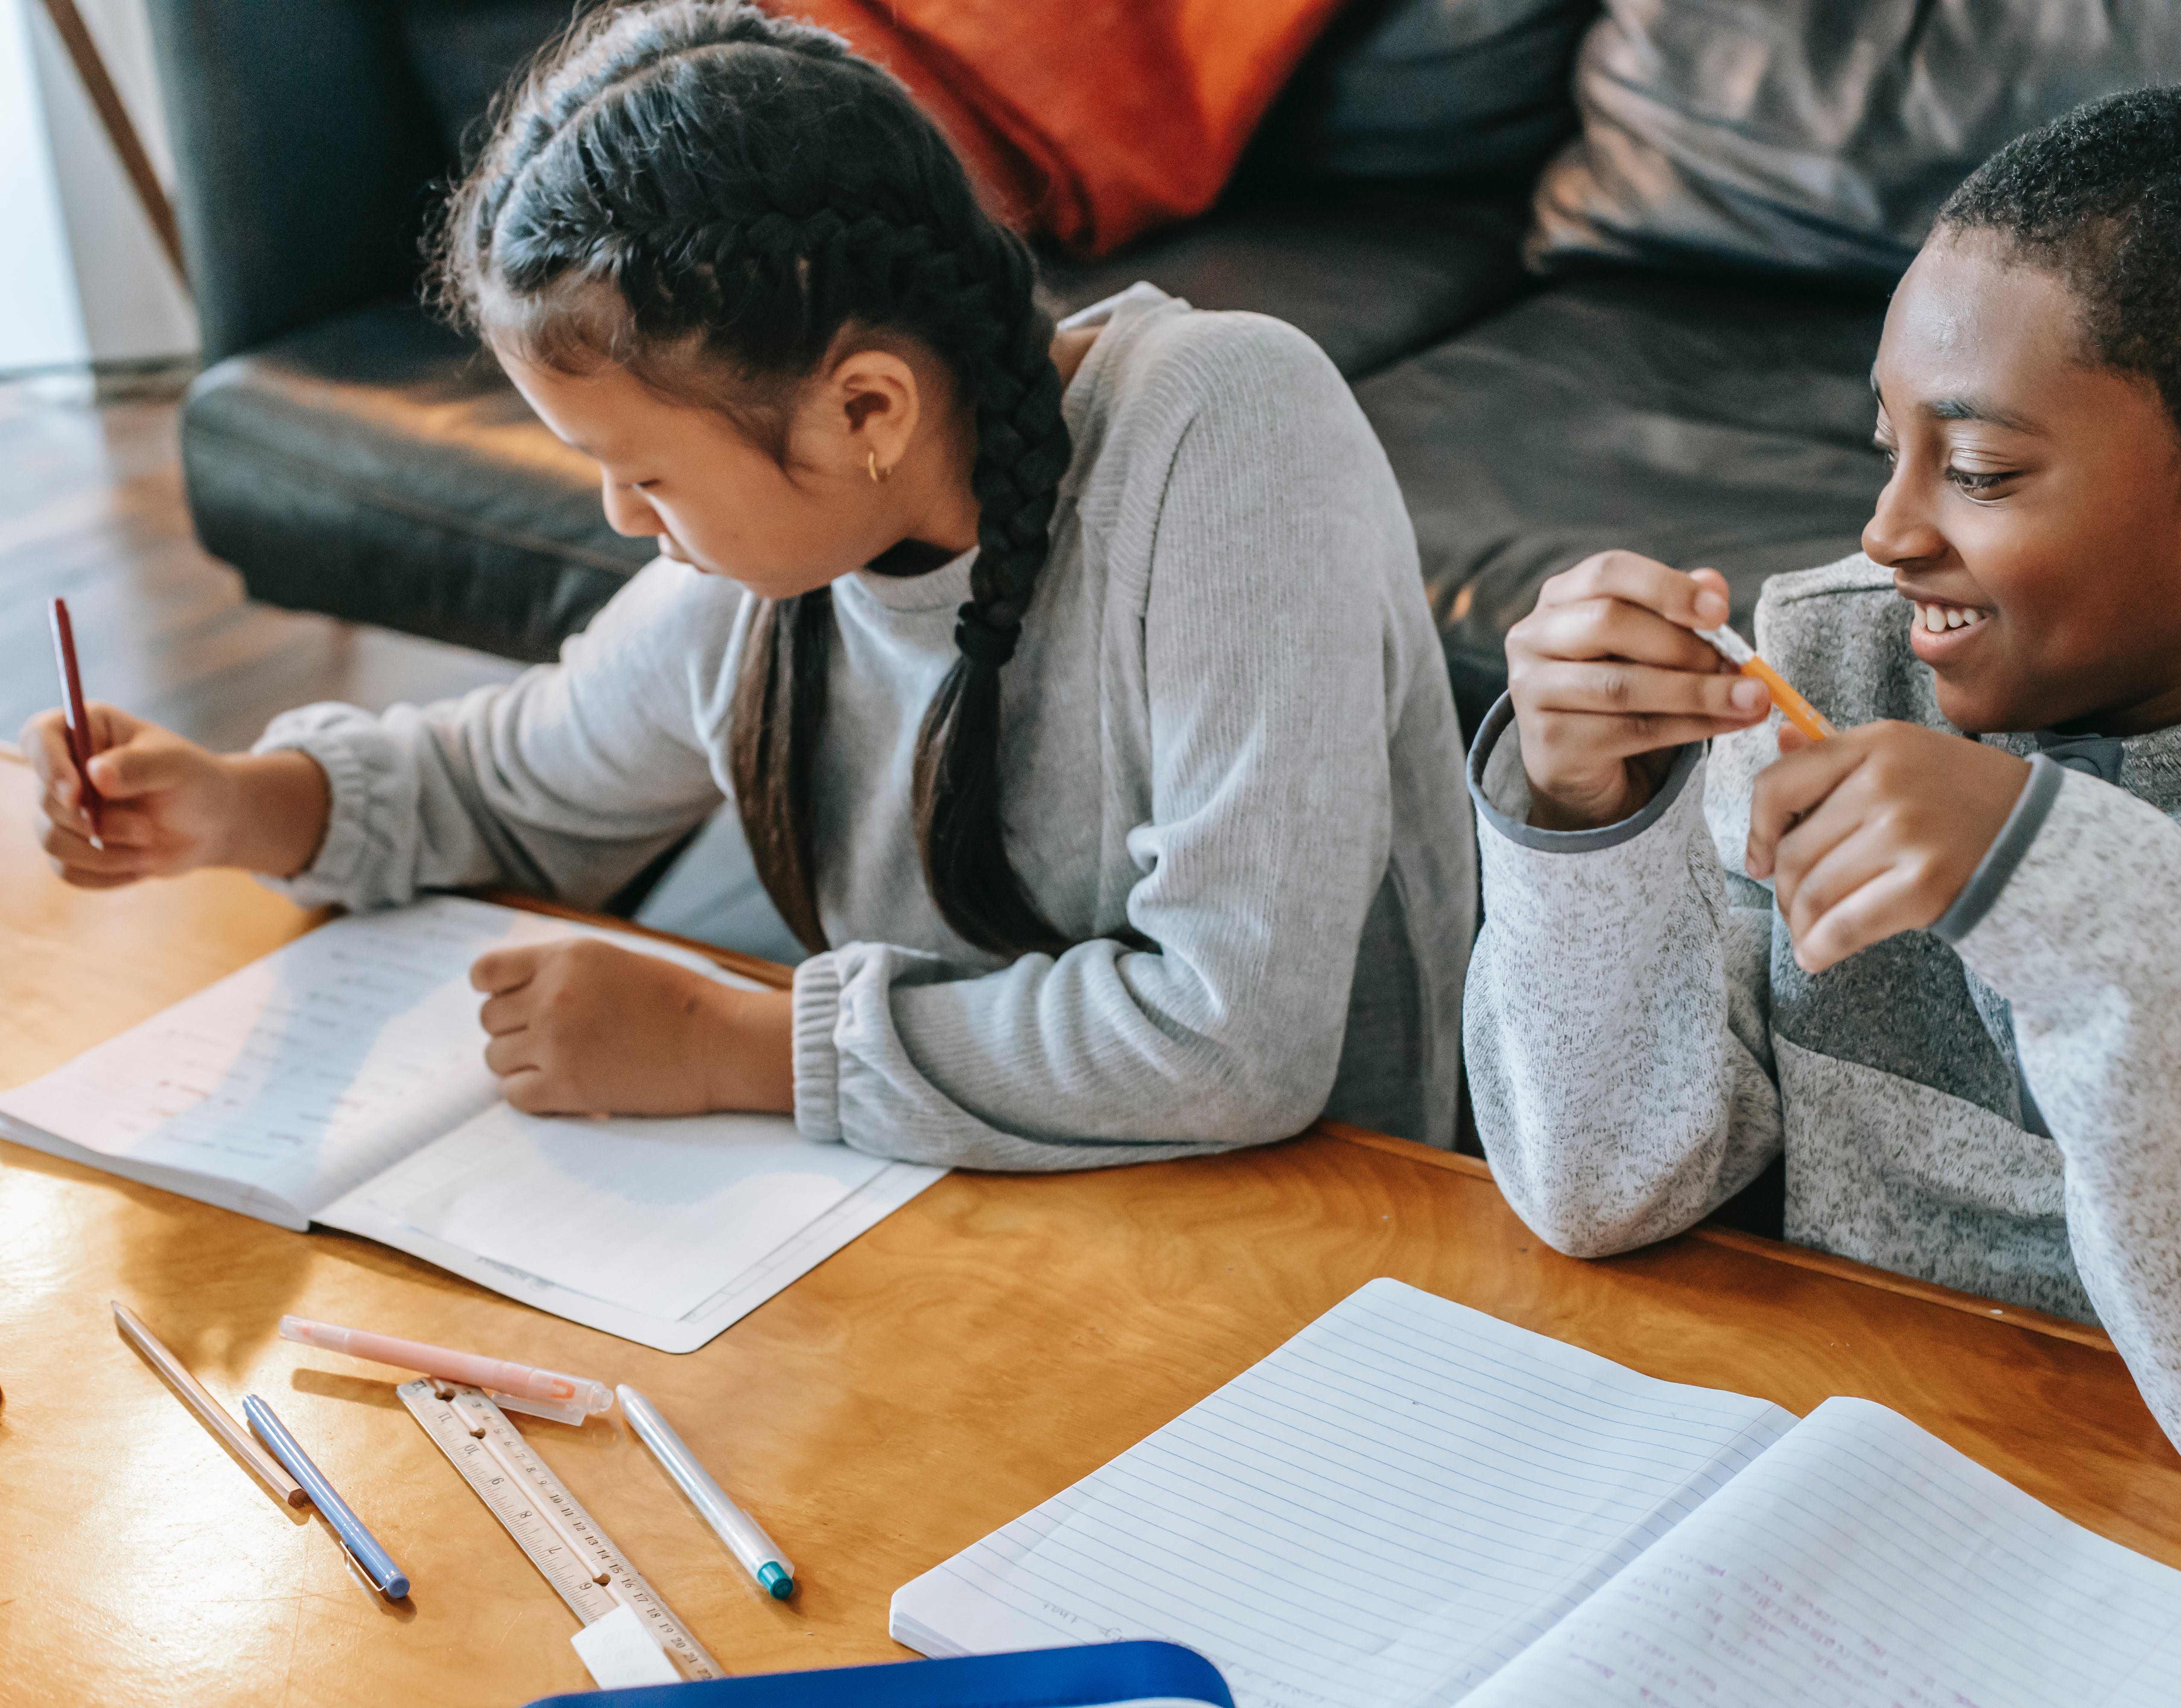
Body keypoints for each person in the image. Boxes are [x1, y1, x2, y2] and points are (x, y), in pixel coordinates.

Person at [20, 0, 1474, 1165]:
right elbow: (511, 781)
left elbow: (1237, 1042)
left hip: (1318, 1224)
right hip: (969, 1187)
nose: (620, 516)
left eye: (647, 474)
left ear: (867, 413)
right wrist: (234, 803)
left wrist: (744, 1048)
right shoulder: (775, 558)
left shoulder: (1225, 428)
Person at [1464, 85, 2181, 1481]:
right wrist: (1585, 823)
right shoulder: (1824, 660)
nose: (1885, 530)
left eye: (1978, 470)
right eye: (1890, 446)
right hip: (1920, 1444)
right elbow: (1603, 1189)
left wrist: (2062, 887)